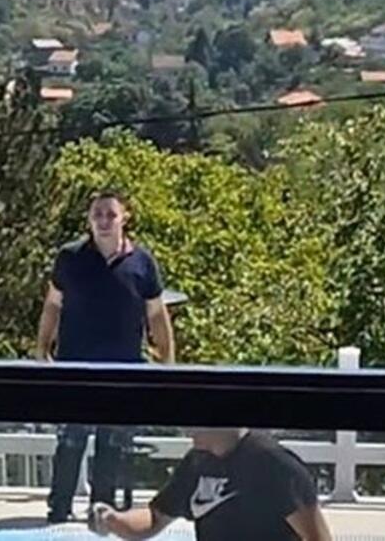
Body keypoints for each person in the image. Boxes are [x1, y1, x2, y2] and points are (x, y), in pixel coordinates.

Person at [36, 190, 175, 524]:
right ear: (89, 220)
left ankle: (103, 512)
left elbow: (157, 314)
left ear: (124, 217)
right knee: (70, 440)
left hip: (123, 368)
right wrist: (42, 348)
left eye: (110, 214)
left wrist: (167, 360)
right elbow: (53, 304)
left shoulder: (142, 262)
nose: (103, 221)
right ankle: (58, 509)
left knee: (113, 443)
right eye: (97, 214)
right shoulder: (70, 258)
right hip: (75, 366)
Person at [90, 427, 333, 541]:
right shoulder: (197, 463)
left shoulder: (273, 464)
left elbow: (318, 538)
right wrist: (114, 520)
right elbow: (156, 516)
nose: (186, 429)